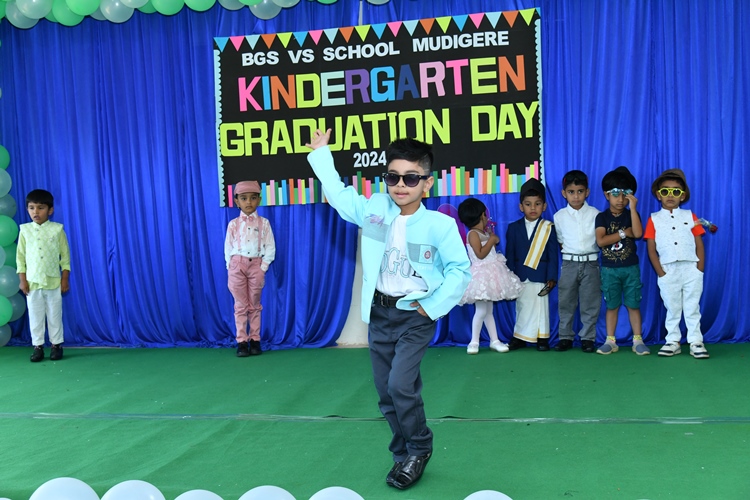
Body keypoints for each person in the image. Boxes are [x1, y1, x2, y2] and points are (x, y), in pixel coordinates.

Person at [305, 129, 470, 490]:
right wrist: (321, 154)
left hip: (415, 316)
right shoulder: (375, 208)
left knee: (400, 385)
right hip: (380, 315)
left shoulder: (440, 225)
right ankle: (402, 453)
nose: (400, 185)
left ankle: (420, 448)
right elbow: (340, 196)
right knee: (385, 392)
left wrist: (431, 307)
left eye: (411, 178)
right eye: (392, 177)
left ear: (427, 182)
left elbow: (460, 270)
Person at [644, 169, 709, 359]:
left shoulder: (691, 216)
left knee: (692, 307)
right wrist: (661, 272)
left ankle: (696, 341)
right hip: (668, 270)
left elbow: (699, 243)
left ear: (683, 196)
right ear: (658, 195)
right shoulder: (654, 219)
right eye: (665, 191)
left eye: (676, 191)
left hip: (691, 268)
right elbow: (651, 249)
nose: (670, 195)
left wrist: (699, 269)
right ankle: (672, 341)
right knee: (672, 308)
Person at [457, 197, 523, 354]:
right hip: (481, 277)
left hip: (491, 276)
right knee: (481, 311)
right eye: (485, 214)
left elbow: (495, 242)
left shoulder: (483, 232)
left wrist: (492, 237)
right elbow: (480, 254)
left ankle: (494, 340)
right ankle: (474, 342)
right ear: (482, 215)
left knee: (488, 312)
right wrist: (491, 240)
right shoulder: (473, 234)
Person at [594, 166, 649, 355]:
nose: (620, 199)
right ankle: (610, 341)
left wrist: (633, 209)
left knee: (633, 305)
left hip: (631, 268)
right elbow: (601, 241)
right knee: (612, 306)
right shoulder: (601, 217)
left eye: (626, 194)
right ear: (606, 195)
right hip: (609, 270)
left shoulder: (631, 215)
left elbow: (639, 233)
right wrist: (624, 232)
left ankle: (637, 340)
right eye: (616, 194)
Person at [17, 189, 71, 363]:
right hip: (32, 282)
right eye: (31, 208)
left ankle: (56, 345)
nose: (36, 212)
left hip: (53, 281)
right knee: (35, 315)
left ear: (50, 210)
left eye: (40, 208)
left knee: (55, 314)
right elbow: (20, 258)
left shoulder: (57, 230)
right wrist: (22, 280)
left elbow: (65, 257)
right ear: (27, 209)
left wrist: (64, 279)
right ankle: (38, 346)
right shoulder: (25, 230)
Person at [505, 178, 558, 351]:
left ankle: (542, 338)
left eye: (537, 204)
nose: (533, 208)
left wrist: (552, 276)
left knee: (541, 308)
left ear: (544, 206)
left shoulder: (548, 227)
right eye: (528, 204)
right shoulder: (513, 228)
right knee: (522, 306)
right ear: (521, 207)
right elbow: (510, 254)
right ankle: (520, 336)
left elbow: (553, 255)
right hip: (520, 275)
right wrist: (509, 276)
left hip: (541, 274)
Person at [224, 180, 276, 357]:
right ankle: (241, 342)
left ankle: (255, 340)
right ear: (237, 201)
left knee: (254, 305)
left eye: (253, 198)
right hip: (237, 265)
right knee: (240, 306)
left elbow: (270, 246)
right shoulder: (233, 224)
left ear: (259, 200)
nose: (248, 202)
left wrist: (263, 267)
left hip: (256, 266)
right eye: (244, 198)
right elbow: (227, 247)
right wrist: (231, 266)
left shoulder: (264, 223)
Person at [553, 170, 601, 353]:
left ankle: (588, 338)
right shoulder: (559, 216)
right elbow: (560, 240)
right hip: (569, 263)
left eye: (580, 191)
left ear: (587, 192)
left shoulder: (596, 214)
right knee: (566, 301)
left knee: (590, 302)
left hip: (591, 262)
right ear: (564, 193)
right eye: (571, 192)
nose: (576, 196)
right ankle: (565, 337)